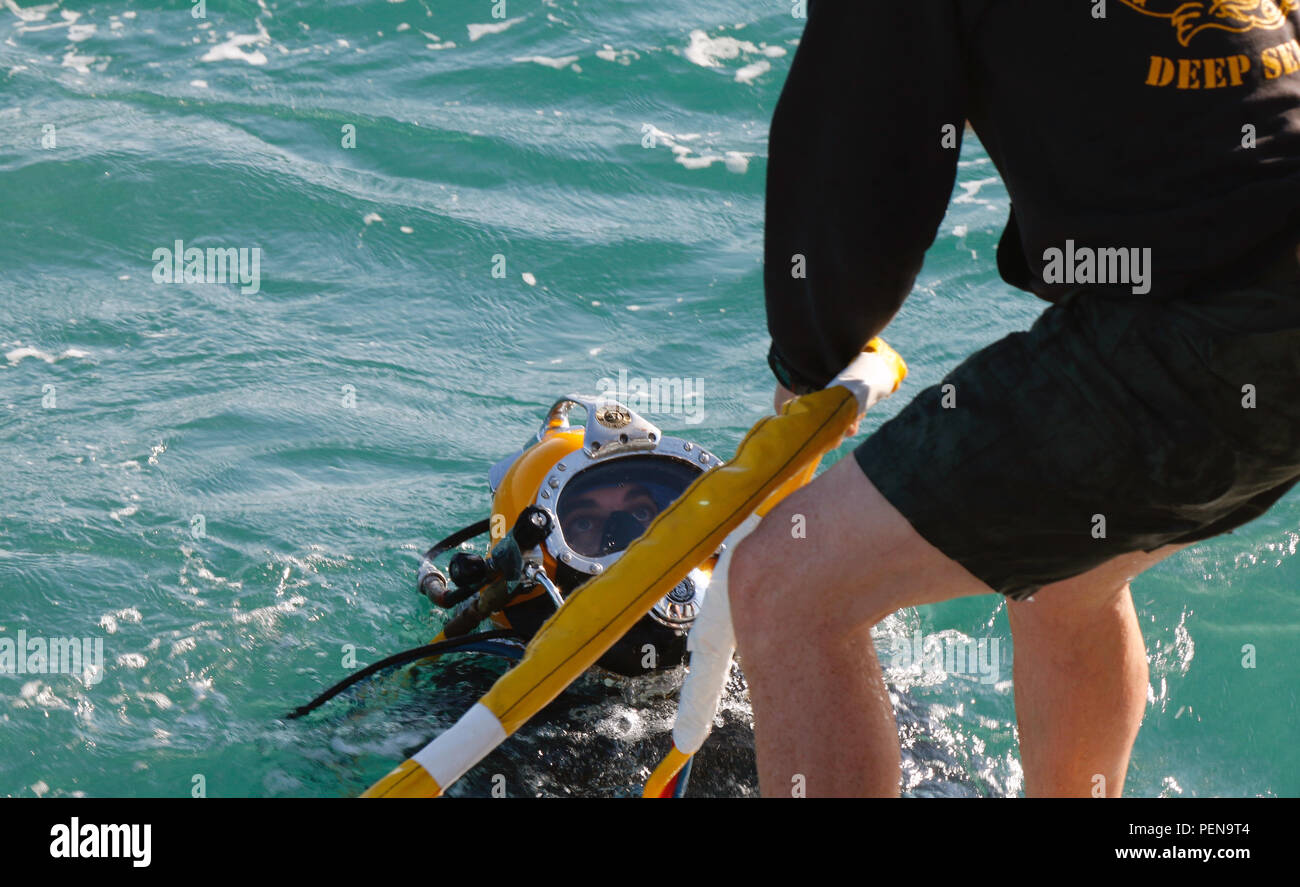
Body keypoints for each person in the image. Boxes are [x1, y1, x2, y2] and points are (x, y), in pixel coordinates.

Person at [730, 0, 1300, 797]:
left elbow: (860, 166)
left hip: (1213, 318)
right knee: (1067, 573)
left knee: (786, 582)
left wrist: (806, 370)